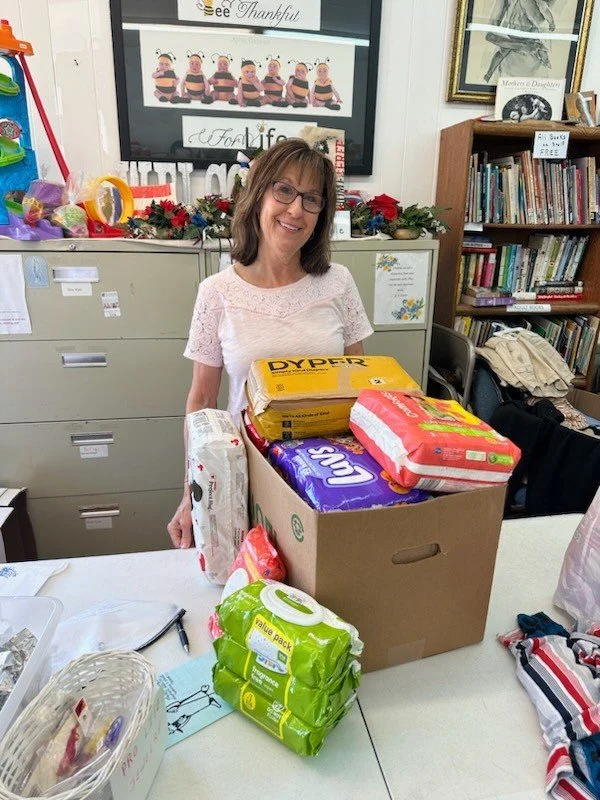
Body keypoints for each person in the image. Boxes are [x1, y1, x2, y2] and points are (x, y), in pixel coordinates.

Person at [167, 138, 374, 548]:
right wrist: (193, 492)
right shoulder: (217, 293)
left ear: (321, 214)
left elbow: (362, 389)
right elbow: (202, 402)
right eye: (284, 190)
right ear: (258, 195)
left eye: (311, 198)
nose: (296, 209)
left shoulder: (339, 284)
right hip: (247, 475)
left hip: (331, 477)